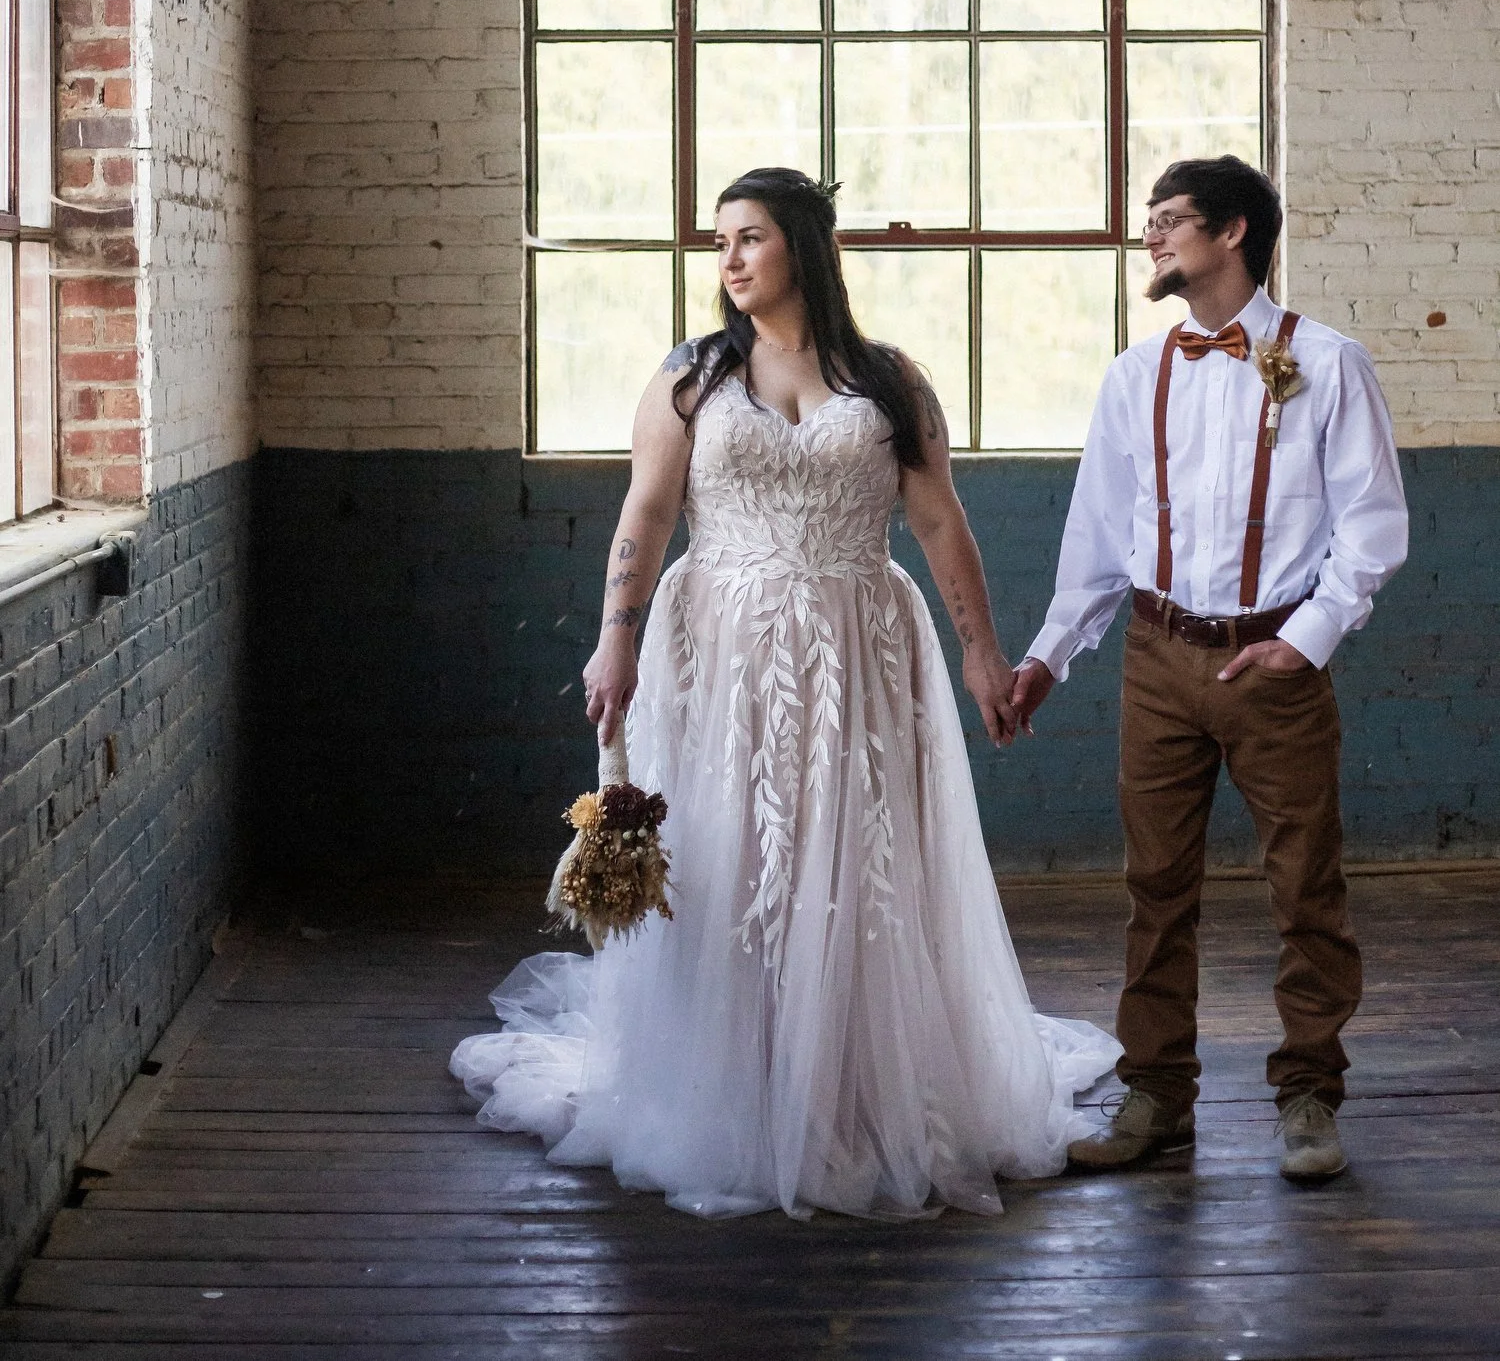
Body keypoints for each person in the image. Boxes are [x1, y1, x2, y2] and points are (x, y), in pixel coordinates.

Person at [453, 166, 1115, 1218]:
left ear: (802, 246)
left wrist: (984, 656)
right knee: (735, 851)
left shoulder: (892, 380)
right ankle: (741, 1084)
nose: (728, 260)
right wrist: (613, 645)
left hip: (861, 642)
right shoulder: (692, 377)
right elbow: (647, 515)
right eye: (721, 241)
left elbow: (940, 522)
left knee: (858, 850)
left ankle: (853, 1087)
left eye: (749, 237)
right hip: (722, 642)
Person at [1010, 156, 1408, 1184]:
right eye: (1149, 221)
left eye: (1171, 221)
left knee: (1305, 886)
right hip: (1155, 658)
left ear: (1233, 232)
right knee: (1155, 888)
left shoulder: (1329, 362)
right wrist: (1049, 658)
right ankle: (1157, 1096)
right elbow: (1096, 538)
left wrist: (1305, 640)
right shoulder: (1132, 376)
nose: (1152, 237)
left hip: (1274, 661)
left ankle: (1310, 1093)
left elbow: (1372, 531)